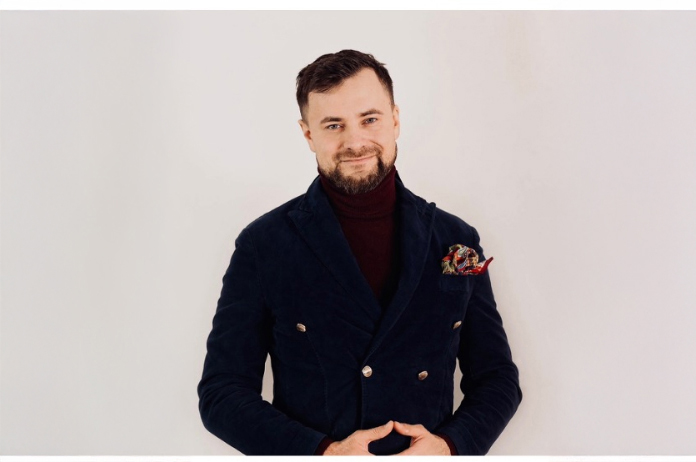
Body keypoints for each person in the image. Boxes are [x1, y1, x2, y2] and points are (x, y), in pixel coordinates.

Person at [197, 49, 522, 456]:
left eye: (369, 119)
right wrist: (324, 453)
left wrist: (449, 446)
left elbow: (497, 379)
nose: (355, 142)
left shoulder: (456, 240)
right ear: (308, 134)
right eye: (334, 125)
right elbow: (222, 394)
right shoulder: (264, 244)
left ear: (395, 120)